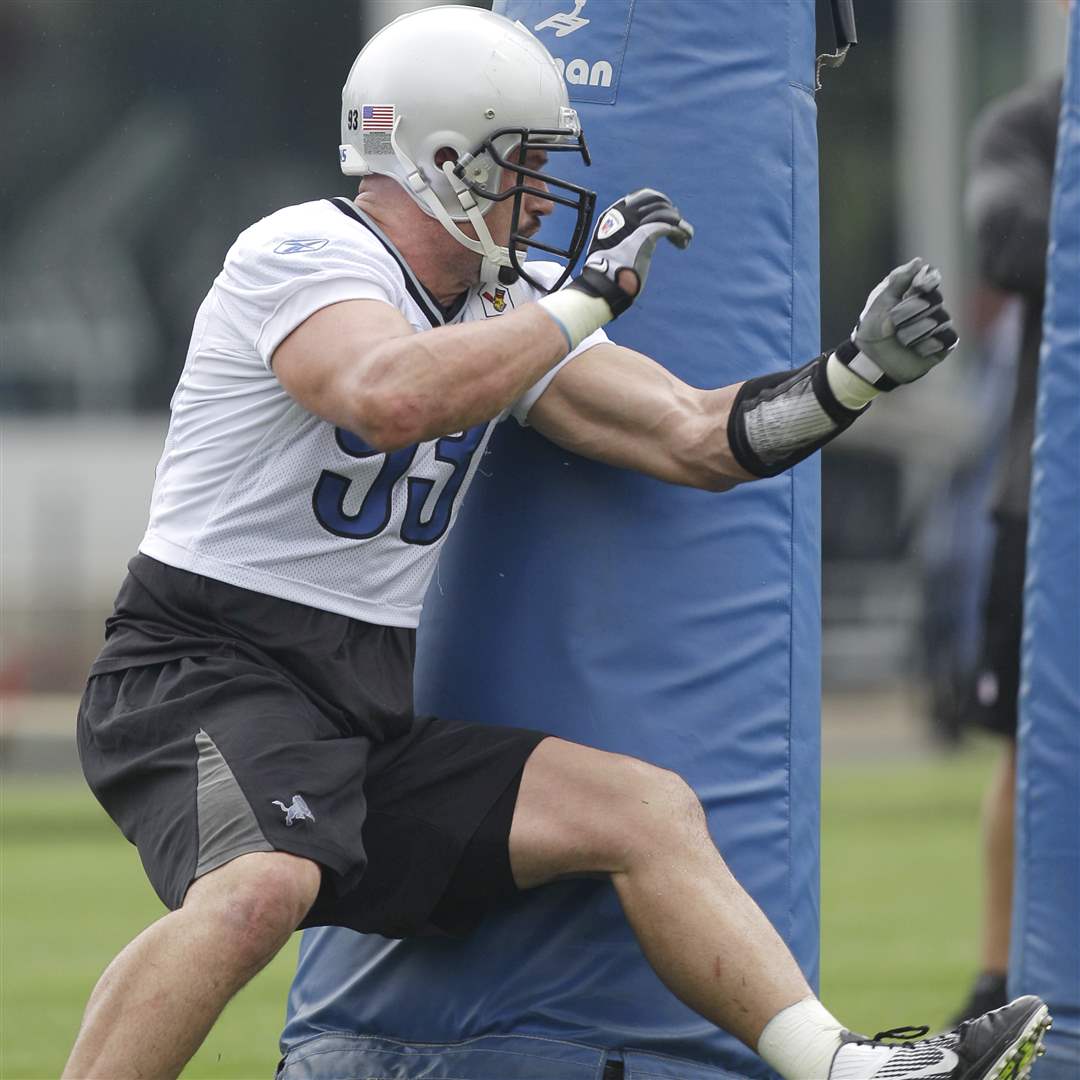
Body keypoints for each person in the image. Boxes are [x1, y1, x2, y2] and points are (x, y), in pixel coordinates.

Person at [64, 8, 1050, 1079]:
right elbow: (383, 395)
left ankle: (846, 1066)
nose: (541, 193)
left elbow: (691, 435)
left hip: (360, 704)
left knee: (645, 809)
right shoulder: (304, 249)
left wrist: (852, 375)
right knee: (260, 887)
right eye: (523, 162)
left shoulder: (507, 305)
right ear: (443, 159)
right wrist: (580, 301)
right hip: (206, 668)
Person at [950, 70, 1063, 1025]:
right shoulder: (1031, 121)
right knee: (1035, 745)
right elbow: (1006, 239)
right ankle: (995, 975)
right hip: (1053, 495)